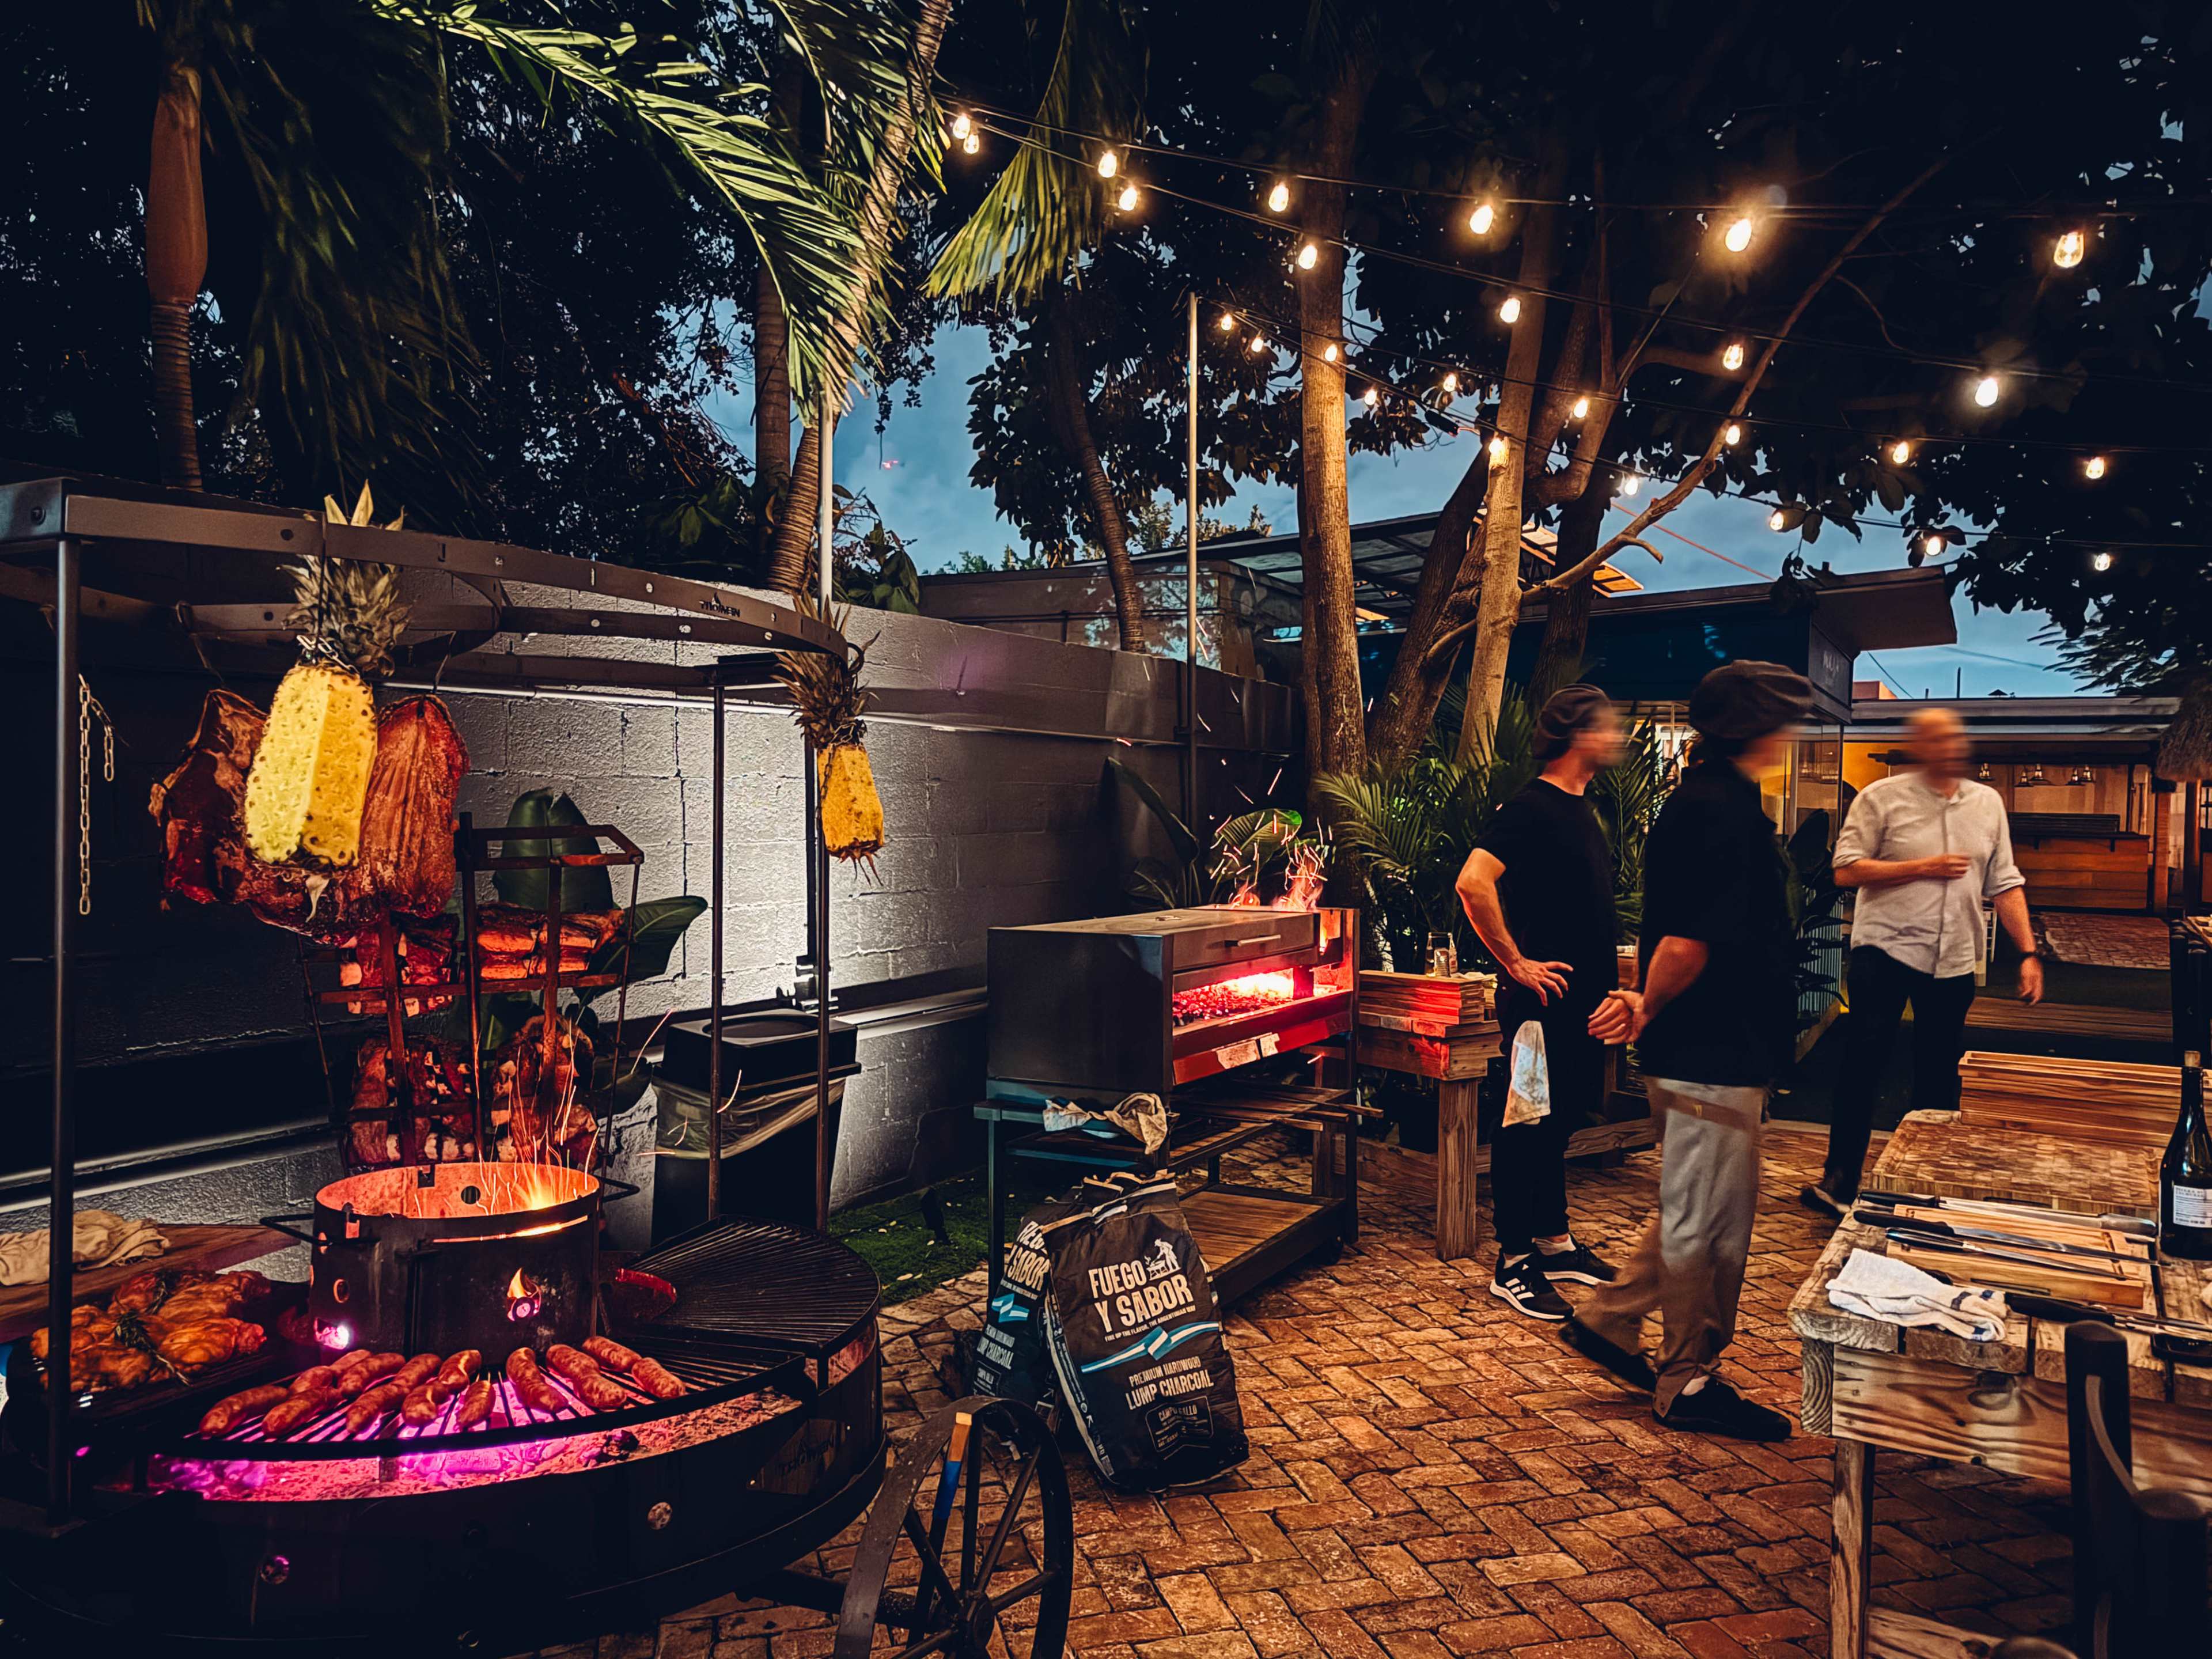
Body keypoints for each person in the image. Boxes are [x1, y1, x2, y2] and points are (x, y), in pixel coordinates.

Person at [1562, 660, 1811, 1442]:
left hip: (1711, 1044)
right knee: (1711, 1222)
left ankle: (1606, 1321)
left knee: (1695, 1205)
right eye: (1784, 721)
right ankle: (1687, 1379)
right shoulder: (1719, 812)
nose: (1790, 736)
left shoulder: (1709, 802)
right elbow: (1690, 940)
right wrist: (1648, 1004)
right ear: (1756, 729)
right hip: (1712, 1047)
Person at [1801, 707, 2043, 1218]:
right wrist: (1923, 868)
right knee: (1863, 1066)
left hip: (1955, 956)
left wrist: (2028, 953)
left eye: (1956, 739)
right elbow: (1846, 871)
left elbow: (2005, 881)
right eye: (1937, 740)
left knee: (1939, 1072)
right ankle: (1839, 1179)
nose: (1950, 748)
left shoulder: (1987, 803)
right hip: (1885, 950)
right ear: (1920, 746)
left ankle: (1921, 1186)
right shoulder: (1881, 798)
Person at [1455, 685, 1641, 1320]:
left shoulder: (1582, 809)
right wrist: (1514, 962)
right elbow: (1472, 883)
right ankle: (1512, 1262)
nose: (1615, 734)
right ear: (1574, 734)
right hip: (1538, 1010)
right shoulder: (1532, 807)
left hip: (1582, 1005)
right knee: (1526, 1123)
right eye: (1605, 725)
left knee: (1556, 1124)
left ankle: (1554, 1243)